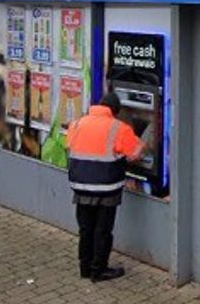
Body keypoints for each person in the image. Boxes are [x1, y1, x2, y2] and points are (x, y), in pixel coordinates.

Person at [65, 91, 145, 283]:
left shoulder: (76, 124)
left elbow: (69, 146)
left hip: (81, 187)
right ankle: (98, 270)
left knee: (85, 229)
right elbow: (135, 154)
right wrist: (143, 142)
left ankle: (85, 268)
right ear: (115, 111)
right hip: (107, 189)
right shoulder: (119, 128)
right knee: (102, 231)